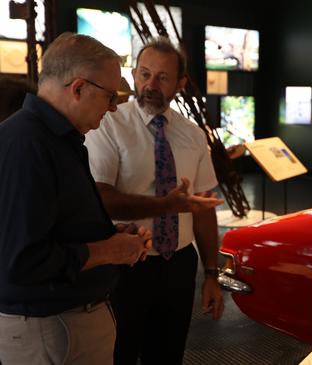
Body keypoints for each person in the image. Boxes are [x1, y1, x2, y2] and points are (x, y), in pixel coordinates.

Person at [0, 33, 152, 365]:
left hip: (64, 326)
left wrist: (110, 235)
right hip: (50, 329)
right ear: (78, 88)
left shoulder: (56, 140)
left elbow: (54, 226)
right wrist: (109, 250)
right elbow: (23, 261)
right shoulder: (28, 144)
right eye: (110, 96)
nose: (114, 108)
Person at [85, 37, 225, 365]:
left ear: (180, 83)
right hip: (126, 263)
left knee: (168, 353)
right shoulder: (109, 124)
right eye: (145, 74)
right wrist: (168, 205)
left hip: (178, 264)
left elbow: (203, 208)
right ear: (133, 74)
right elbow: (102, 200)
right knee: (119, 352)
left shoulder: (192, 134)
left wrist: (211, 275)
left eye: (162, 77)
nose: (151, 85)